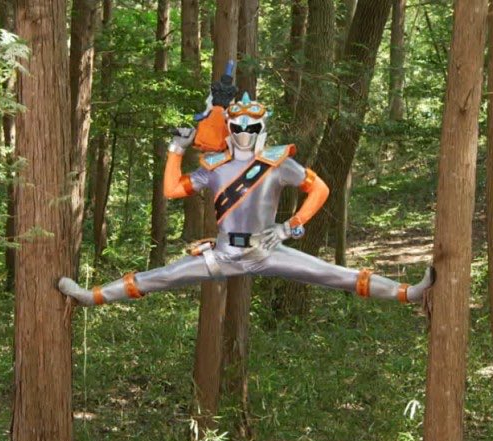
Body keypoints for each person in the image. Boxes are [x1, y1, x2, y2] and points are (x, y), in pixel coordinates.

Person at [58, 92, 435, 306]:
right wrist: (176, 149)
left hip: (266, 250)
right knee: (159, 277)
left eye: (251, 126)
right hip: (222, 254)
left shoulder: (278, 163)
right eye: (237, 126)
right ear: (228, 127)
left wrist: (290, 226)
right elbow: (172, 190)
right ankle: (91, 297)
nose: (243, 132)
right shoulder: (214, 167)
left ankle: (408, 293)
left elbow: (320, 188)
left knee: (337, 275)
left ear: (261, 128)